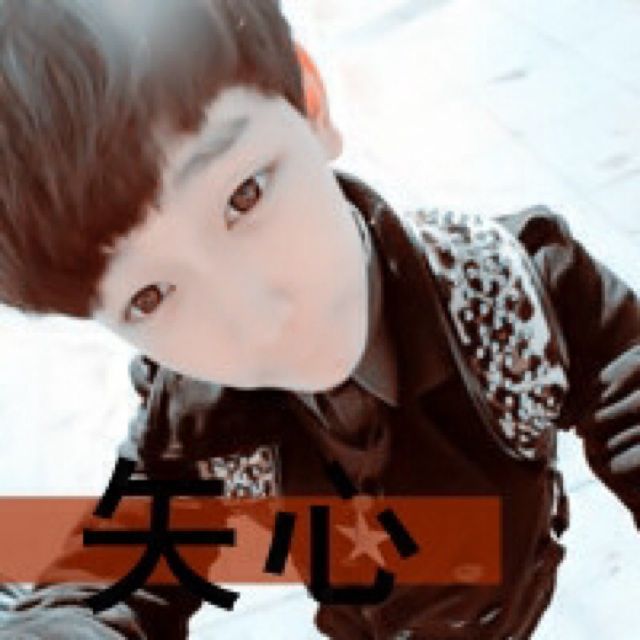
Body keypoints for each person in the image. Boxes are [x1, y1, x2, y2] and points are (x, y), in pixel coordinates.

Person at [0, 0, 638, 638]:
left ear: (309, 100)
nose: (257, 319)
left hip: (506, 600)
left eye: (245, 196)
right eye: (150, 296)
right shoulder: (201, 414)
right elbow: (122, 560)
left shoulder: (505, 286)